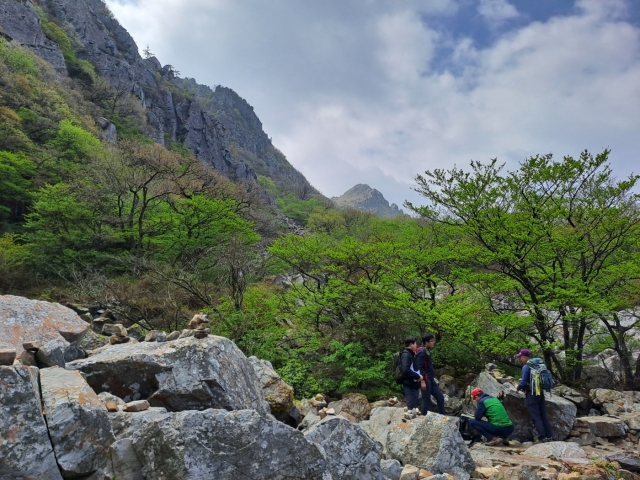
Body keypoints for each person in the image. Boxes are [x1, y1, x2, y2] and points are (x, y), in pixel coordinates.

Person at [515, 348, 554, 442]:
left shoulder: (526, 367)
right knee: (543, 415)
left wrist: (518, 388)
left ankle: (542, 437)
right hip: (540, 392)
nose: (520, 359)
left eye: (520, 357)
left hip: (531, 393)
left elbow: (524, 382)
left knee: (536, 416)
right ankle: (549, 435)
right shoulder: (538, 366)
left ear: (524, 357)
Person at [415, 333, 445, 415]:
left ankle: (442, 418)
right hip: (425, 379)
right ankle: (422, 419)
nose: (433, 342)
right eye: (431, 341)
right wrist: (422, 381)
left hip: (431, 379)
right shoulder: (421, 351)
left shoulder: (426, 350)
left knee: (440, 397)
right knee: (426, 400)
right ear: (426, 342)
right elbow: (419, 367)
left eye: (433, 340)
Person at [400, 336, 423, 410]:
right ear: (411, 344)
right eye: (415, 344)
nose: (416, 345)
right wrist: (417, 376)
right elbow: (405, 370)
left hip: (413, 384)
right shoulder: (406, 355)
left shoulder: (411, 354)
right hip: (409, 384)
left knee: (414, 406)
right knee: (411, 407)